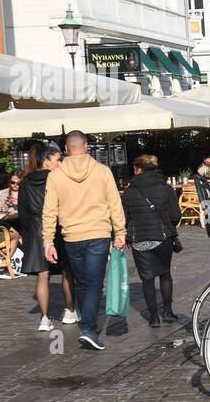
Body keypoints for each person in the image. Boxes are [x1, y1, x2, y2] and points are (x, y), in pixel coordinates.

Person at [42, 130, 127, 351]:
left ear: (66, 149)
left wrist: (48, 241)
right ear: (86, 146)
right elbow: (115, 205)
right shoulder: (102, 171)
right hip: (98, 233)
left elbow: (49, 211)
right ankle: (89, 328)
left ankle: (87, 324)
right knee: (94, 283)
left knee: (81, 281)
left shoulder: (56, 175)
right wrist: (120, 233)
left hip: (71, 235)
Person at [19, 143, 76, 331]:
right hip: (57, 225)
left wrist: (31, 231)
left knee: (43, 275)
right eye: (58, 159)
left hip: (36, 227)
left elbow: (22, 213)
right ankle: (70, 311)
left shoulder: (25, 182)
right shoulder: (57, 178)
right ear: (47, 161)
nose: (60, 163)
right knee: (67, 271)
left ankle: (44, 318)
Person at [121, 154, 182, 327]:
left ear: (138, 169)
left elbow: (123, 219)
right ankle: (168, 312)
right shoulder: (166, 189)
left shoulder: (130, 191)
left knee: (147, 279)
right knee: (164, 273)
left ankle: (154, 317)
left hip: (139, 240)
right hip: (163, 237)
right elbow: (176, 215)